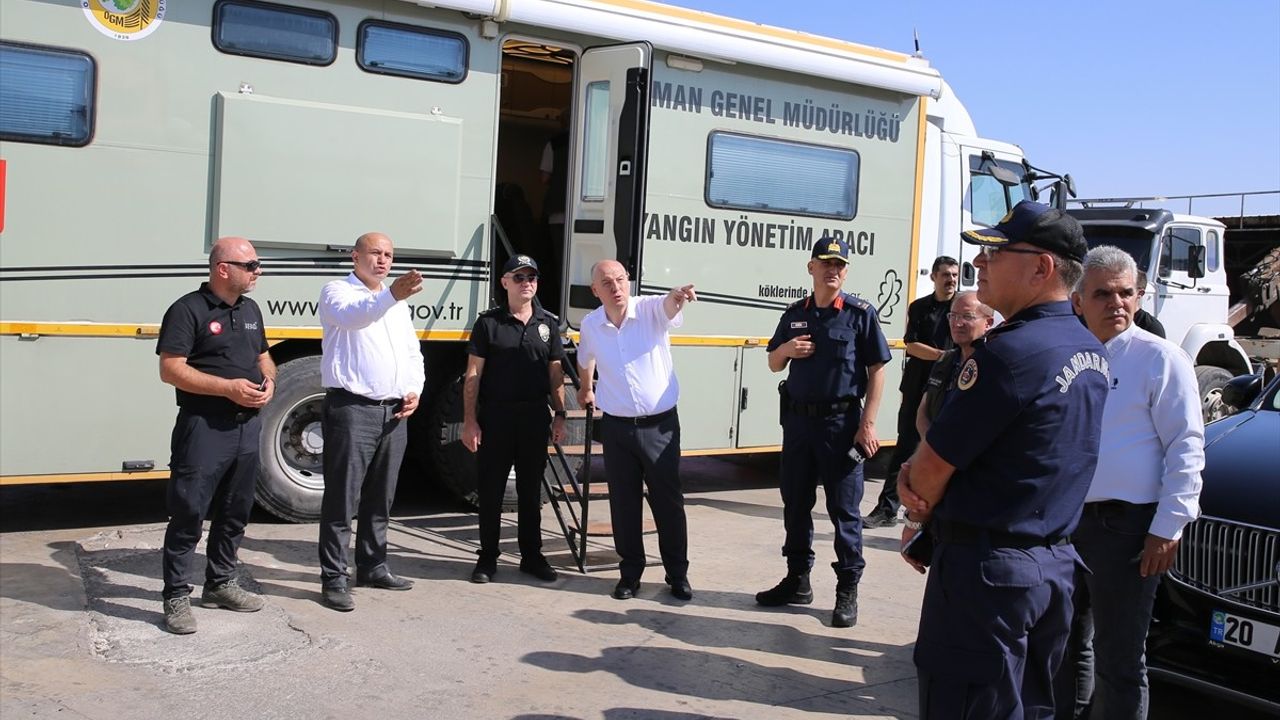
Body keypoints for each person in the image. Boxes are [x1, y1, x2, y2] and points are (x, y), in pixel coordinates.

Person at [897, 200, 1109, 718]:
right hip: (1052, 570)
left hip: (988, 578)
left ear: (1042, 267)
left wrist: (916, 492)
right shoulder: (1089, 349)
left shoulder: (1008, 354)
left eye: (996, 252)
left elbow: (929, 471)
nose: (981, 263)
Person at [1055, 246, 1203, 720]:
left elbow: (1186, 444)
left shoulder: (1160, 359)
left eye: (1126, 293)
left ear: (1139, 297)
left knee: (1118, 661)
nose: (1116, 303)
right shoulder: (1063, 354)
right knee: (1060, 646)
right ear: (1078, 300)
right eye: (1103, 294)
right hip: (1062, 524)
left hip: (1128, 531)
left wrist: (1169, 526)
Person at [756, 237, 891, 628]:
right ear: (810, 267)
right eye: (825, 263)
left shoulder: (859, 313)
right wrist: (786, 351)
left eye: (839, 265)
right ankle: (797, 580)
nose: (832, 270)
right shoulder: (795, 313)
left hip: (841, 425)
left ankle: (847, 588)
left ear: (845, 271)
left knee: (844, 511)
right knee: (795, 504)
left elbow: (877, 370)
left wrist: (867, 423)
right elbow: (772, 363)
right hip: (798, 424)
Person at [156, 236, 275, 635]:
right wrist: (227, 388)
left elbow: (263, 356)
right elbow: (171, 369)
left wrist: (270, 381)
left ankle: (221, 583)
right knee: (189, 511)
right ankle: (175, 595)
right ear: (223, 268)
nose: (258, 272)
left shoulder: (251, 309)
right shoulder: (187, 309)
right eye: (251, 265)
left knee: (235, 511)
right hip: (204, 427)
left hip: (246, 426)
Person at [317, 232, 426, 612]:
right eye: (376, 253)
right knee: (342, 498)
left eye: (389, 255)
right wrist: (391, 294)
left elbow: (413, 353)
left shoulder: (396, 304)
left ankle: (373, 565)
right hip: (352, 409)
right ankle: (334, 577)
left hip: (394, 411)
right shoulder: (337, 292)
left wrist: (414, 388)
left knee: (382, 497)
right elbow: (354, 318)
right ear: (355, 255)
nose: (383, 260)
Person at [576, 260, 696, 601]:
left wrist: (677, 297)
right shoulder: (591, 325)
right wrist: (586, 389)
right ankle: (629, 575)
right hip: (617, 429)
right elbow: (585, 359)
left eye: (620, 279)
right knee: (624, 505)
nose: (616, 287)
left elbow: (668, 305)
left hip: (659, 426)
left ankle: (677, 575)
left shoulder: (648, 310)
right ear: (595, 290)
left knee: (668, 502)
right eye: (607, 282)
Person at [463, 254, 568, 584]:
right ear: (504, 282)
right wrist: (470, 420)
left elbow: (556, 375)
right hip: (496, 416)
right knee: (491, 491)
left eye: (532, 277)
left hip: (535, 417)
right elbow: (473, 375)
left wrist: (561, 414)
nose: (527, 283)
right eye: (519, 277)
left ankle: (532, 557)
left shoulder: (547, 325)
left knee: (530, 491)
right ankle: (488, 558)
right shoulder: (488, 323)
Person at [865, 256, 958, 528]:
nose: (951, 279)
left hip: (950, 391)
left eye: (954, 275)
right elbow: (912, 345)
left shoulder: (964, 306)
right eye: (945, 275)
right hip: (917, 387)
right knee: (905, 447)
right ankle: (886, 509)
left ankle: (942, 512)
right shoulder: (919, 308)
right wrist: (945, 357)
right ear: (934, 277)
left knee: (947, 450)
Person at [914, 291, 995, 438]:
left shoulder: (993, 365)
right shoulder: (945, 360)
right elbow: (923, 410)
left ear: (988, 323)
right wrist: (930, 447)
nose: (957, 323)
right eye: (953, 316)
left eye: (967, 317)